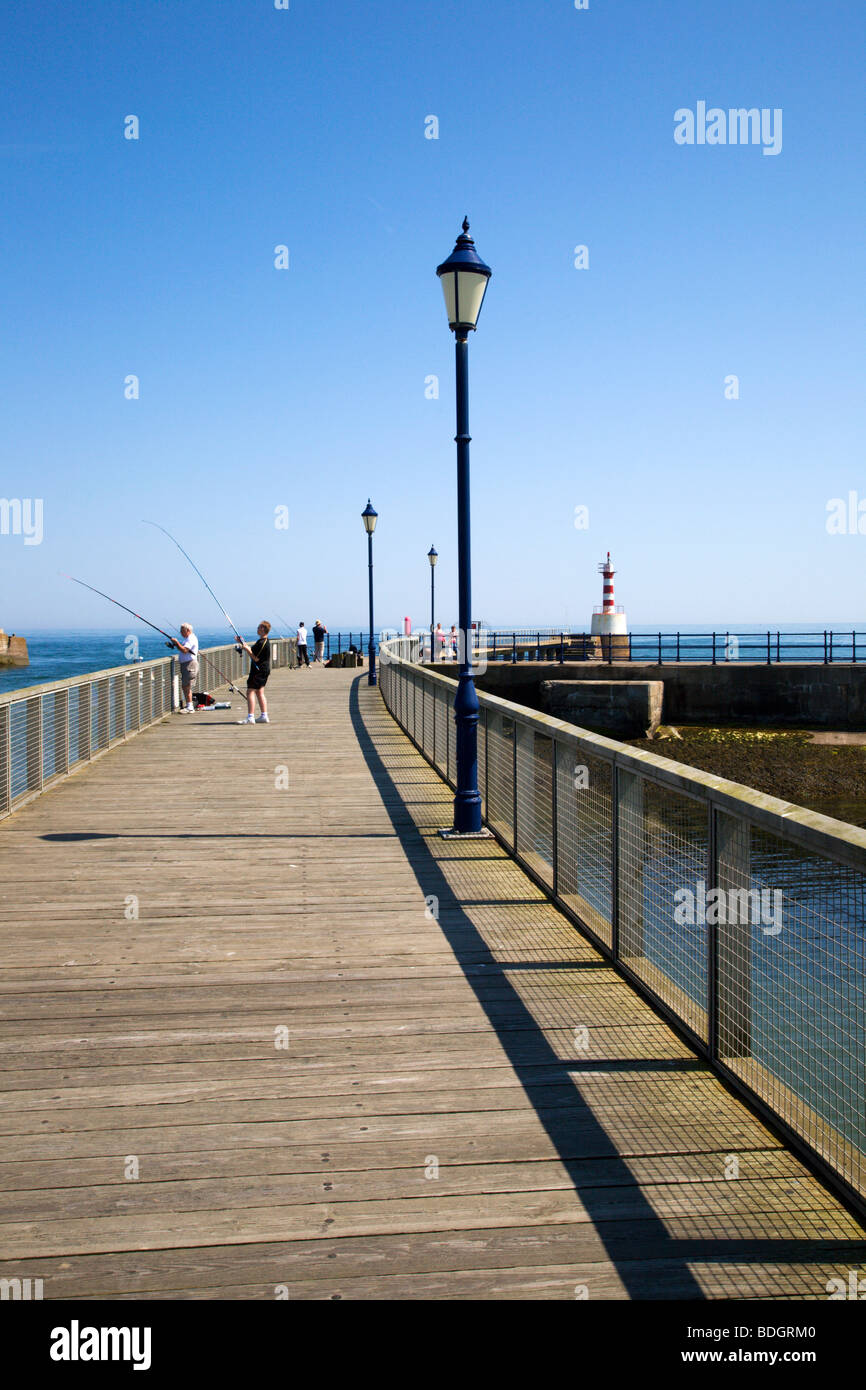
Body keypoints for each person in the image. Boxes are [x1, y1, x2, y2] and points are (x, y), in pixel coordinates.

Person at [235, 621, 272, 724]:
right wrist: (243, 643)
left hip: (258, 670)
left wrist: (246, 649)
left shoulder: (261, 643)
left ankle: (250, 717)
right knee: (260, 692)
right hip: (264, 670)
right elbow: (254, 651)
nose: (257, 629)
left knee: (250, 691)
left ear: (263, 629)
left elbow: (255, 658)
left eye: (259, 627)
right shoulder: (265, 641)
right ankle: (264, 716)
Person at [170, 623, 199, 712]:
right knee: (186, 686)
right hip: (187, 664)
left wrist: (177, 643)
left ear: (188, 630)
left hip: (189, 665)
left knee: (186, 686)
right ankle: (189, 705)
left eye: (182, 631)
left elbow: (185, 650)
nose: (181, 633)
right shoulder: (188, 639)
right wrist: (176, 644)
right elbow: (183, 649)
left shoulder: (190, 639)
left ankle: (190, 707)